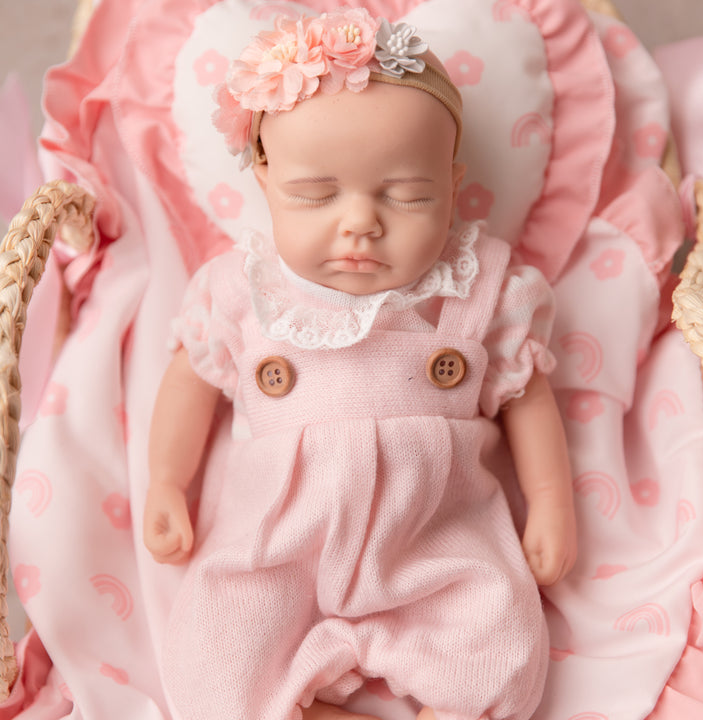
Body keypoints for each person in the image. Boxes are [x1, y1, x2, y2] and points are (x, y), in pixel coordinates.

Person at [143, 9, 576, 720]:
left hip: (435, 532)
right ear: (265, 179)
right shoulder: (240, 292)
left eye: (408, 197)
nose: (360, 224)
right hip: (277, 542)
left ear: (453, 185)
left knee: (500, 649)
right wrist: (167, 481)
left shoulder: (482, 290)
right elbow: (189, 376)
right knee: (212, 665)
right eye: (315, 195)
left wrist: (552, 499)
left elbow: (528, 393)